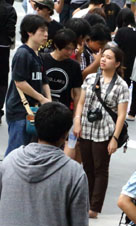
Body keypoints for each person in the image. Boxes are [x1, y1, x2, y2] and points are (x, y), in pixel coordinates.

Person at [73, 43, 129, 219]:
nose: (103, 60)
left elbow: (121, 115)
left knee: (100, 169)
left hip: (104, 131)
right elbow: (81, 102)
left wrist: (115, 138)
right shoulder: (91, 79)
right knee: (87, 167)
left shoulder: (121, 85)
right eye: (103, 56)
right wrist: (77, 121)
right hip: (86, 128)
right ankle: (85, 201)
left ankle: (94, 207)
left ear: (117, 63)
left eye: (108, 58)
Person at [5, 14, 51, 155]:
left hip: (33, 111)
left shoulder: (38, 55)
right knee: (16, 153)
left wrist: (48, 100)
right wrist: (42, 98)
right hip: (20, 110)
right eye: (42, 31)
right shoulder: (22, 54)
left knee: (28, 153)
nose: (46, 34)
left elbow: (44, 81)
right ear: (30, 32)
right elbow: (20, 82)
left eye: (46, 31)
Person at [113, 8, 136, 121]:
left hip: (122, 65)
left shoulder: (121, 32)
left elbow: (114, 48)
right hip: (135, 65)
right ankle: (132, 113)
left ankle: (119, 111)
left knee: (121, 89)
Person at [42, 28, 82, 110]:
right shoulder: (42, 59)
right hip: (40, 108)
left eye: (73, 49)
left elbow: (77, 93)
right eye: (67, 49)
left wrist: (76, 114)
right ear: (56, 45)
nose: (70, 52)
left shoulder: (74, 66)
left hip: (63, 110)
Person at [0, 0, 16, 125]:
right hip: (3, 46)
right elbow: (11, 29)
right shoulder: (9, 9)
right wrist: (11, 40)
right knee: (2, 79)